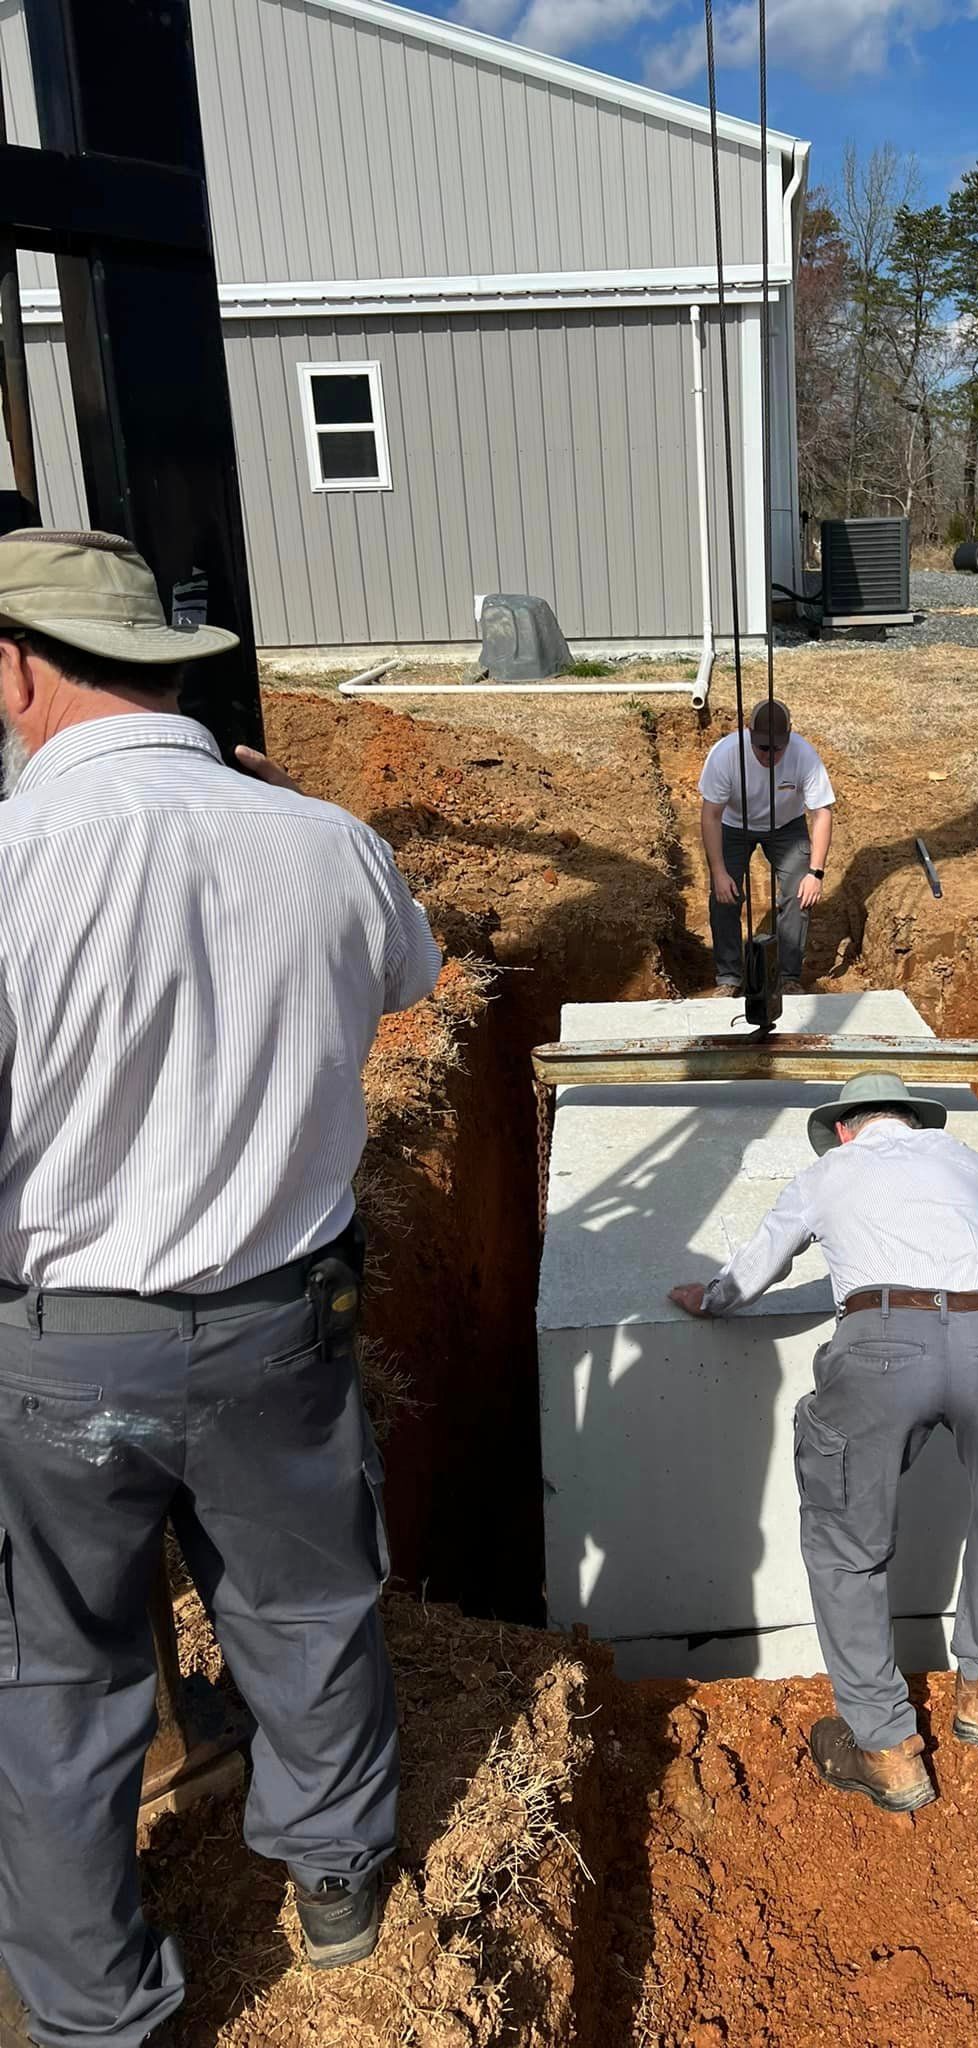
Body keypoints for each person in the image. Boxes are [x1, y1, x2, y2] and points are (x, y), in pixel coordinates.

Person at [0, 531, 442, 2047]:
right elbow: (409, 977)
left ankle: (95, 2012)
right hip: (277, 1327)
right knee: (306, 1605)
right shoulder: (324, 840)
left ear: (14, 669)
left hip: (59, 1351)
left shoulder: (10, 863)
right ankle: (334, 1888)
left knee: (57, 1683)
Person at [669, 1071, 978, 1815]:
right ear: (912, 1121)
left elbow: (760, 1262)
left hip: (884, 1347)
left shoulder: (830, 1169)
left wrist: (710, 1297)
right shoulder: (965, 1160)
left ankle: (884, 1748)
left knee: (849, 1545)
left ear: (845, 1127)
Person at [699, 697, 834, 998]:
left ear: (789, 736)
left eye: (777, 748)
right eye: (762, 747)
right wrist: (719, 872)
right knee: (724, 895)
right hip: (734, 826)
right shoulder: (725, 756)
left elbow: (822, 812)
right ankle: (729, 976)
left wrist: (816, 873)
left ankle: (788, 977)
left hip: (786, 826)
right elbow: (710, 815)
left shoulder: (803, 755)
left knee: (799, 892)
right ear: (748, 733)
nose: (769, 755)